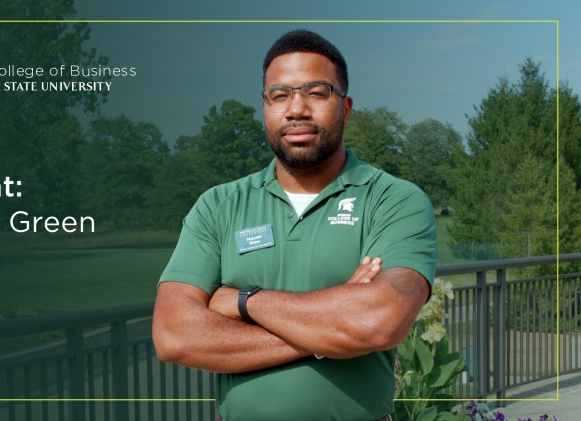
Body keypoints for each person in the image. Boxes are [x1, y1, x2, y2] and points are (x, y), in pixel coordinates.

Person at [152, 29, 437, 420]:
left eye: (317, 92)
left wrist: (242, 301)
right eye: (280, 95)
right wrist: (333, 329)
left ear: (346, 107)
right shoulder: (218, 205)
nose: (296, 109)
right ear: (265, 107)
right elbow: (174, 336)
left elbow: (378, 324)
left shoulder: (393, 199)